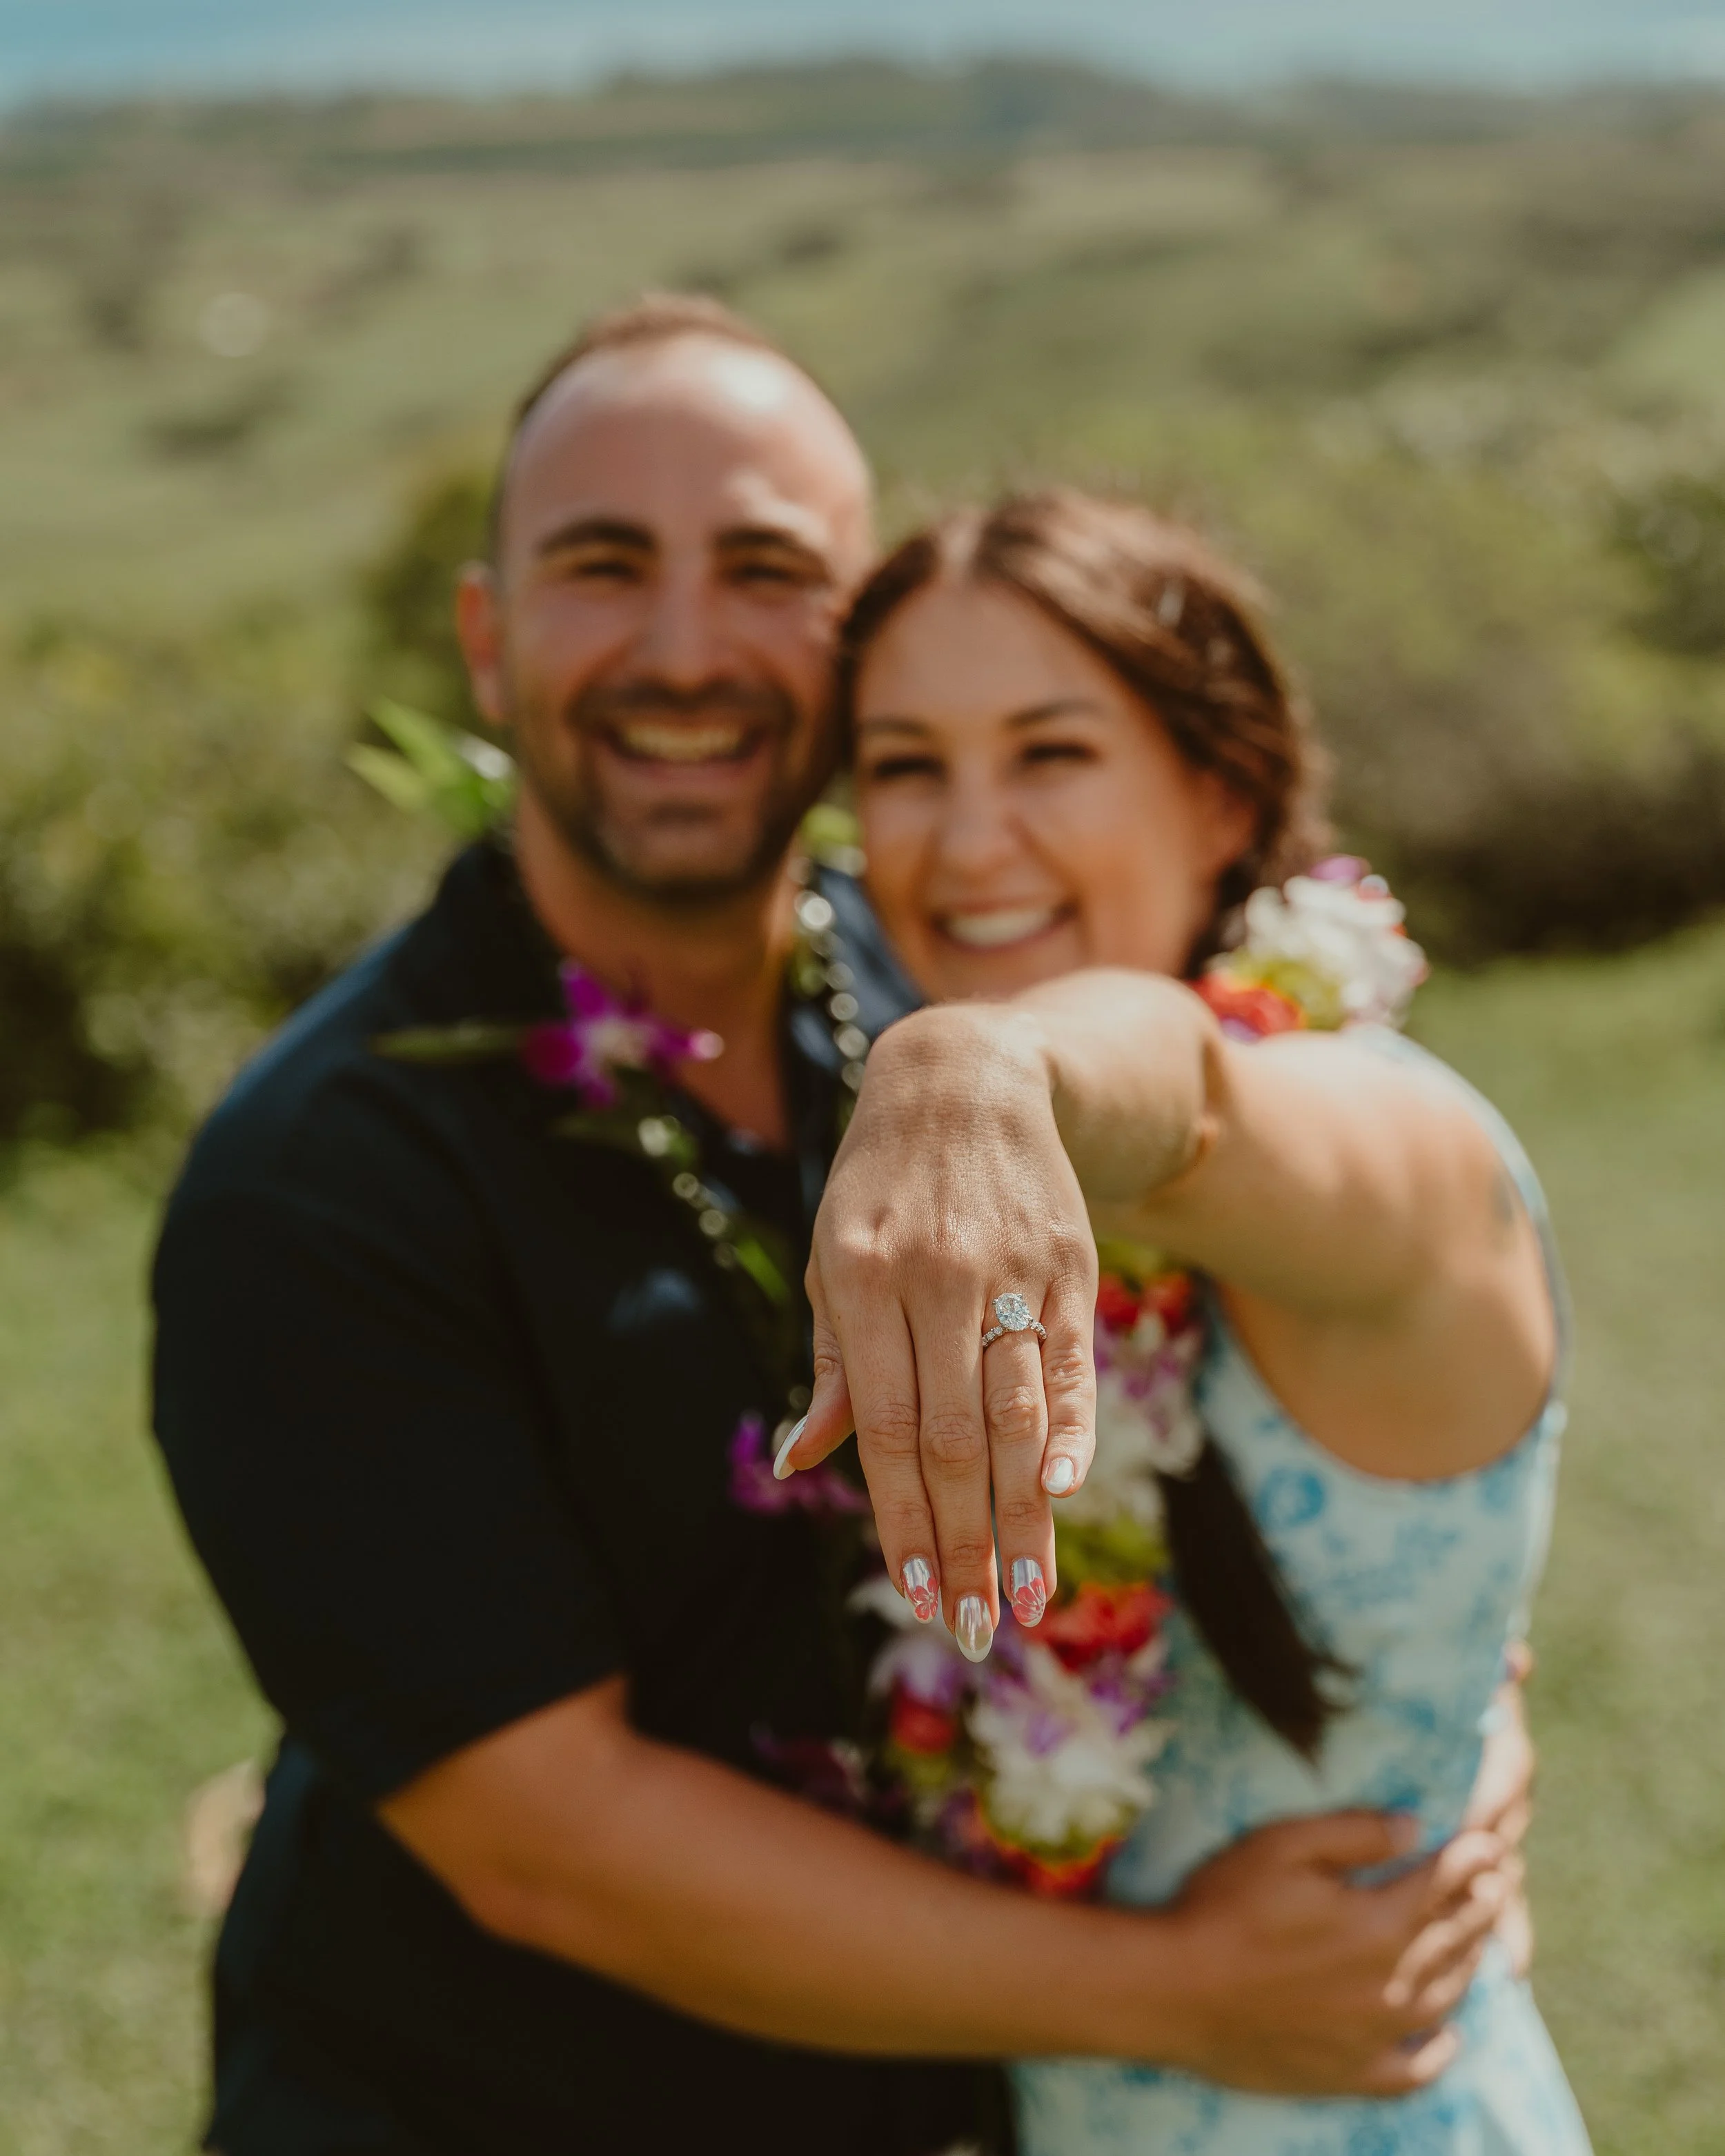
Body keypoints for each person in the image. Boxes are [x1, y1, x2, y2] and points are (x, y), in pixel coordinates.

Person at [152, 298, 1519, 2156]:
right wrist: (1191, 1993)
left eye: (766, 567)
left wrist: (1431, 1745)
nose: (686, 645)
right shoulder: (321, 1174)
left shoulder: (937, 969)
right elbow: (550, 1842)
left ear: (853, 628)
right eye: (603, 565)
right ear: (486, 642)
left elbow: (1270, 1340)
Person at [785, 490, 1589, 2151]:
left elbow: (1200, 1104)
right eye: (908, 764)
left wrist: (978, 1058)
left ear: (1219, 794)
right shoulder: (934, 1231)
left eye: (1051, 752)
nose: (967, 838)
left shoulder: (1392, 1141)